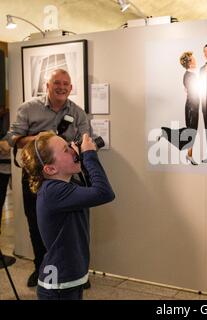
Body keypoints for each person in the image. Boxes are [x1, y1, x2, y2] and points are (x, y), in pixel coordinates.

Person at [7, 69, 90, 287]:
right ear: (47, 86)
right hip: (35, 176)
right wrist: (43, 139)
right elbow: (13, 138)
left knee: (73, 226)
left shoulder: (78, 113)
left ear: (71, 88)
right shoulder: (28, 108)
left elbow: (88, 139)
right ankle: (41, 269)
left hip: (66, 178)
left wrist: (77, 147)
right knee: (37, 225)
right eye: (57, 83)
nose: (61, 87)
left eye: (66, 84)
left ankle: (77, 272)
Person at [20, 131, 115, 300]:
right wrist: (89, 155)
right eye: (66, 149)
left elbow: (93, 190)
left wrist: (84, 158)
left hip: (69, 280)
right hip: (58, 286)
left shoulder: (67, 186)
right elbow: (104, 193)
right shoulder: (53, 192)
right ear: (50, 169)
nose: (73, 149)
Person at [180, 51, 199, 165]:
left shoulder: (189, 75)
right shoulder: (190, 76)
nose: (195, 60)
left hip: (192, 104)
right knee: (192, 131)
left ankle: (189, 154)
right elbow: (193, 92)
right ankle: (189, 155)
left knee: (192, 131)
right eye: (193, 59)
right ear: (190, 63)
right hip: (192, 106)